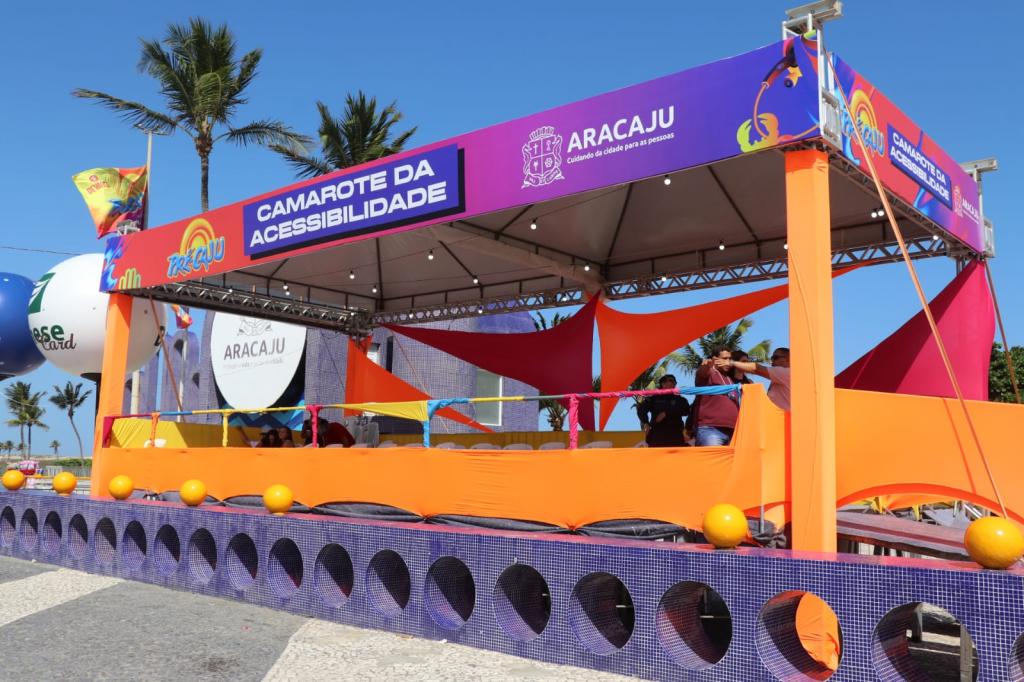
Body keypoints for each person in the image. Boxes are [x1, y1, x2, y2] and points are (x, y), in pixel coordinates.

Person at [691, 347, 740, 446]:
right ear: (715, 359)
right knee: (713, 457)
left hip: (733, 431)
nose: (728, 362)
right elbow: (702, 372)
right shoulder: (710, 373)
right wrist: (707, 365)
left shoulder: (730, 379)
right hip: (711, 429)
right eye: (725, 358)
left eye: (729, 359)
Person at [717, 347, 791, 411]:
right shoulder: (781, 376)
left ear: (787, 359)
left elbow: (756, 368)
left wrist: (732, 363)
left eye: (775, 358)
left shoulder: (786, 373)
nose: (772, 361)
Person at [636, 374, 690, 447]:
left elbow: (686, 411)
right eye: (664, 381)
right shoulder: (654, 398)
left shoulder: (680, 400)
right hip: (657, 433)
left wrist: (667, 413)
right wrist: (646, 422)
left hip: (675, 433)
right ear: (661, 384)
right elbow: (641, 409)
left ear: (675, 384)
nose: (667, 383)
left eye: (670, 380)